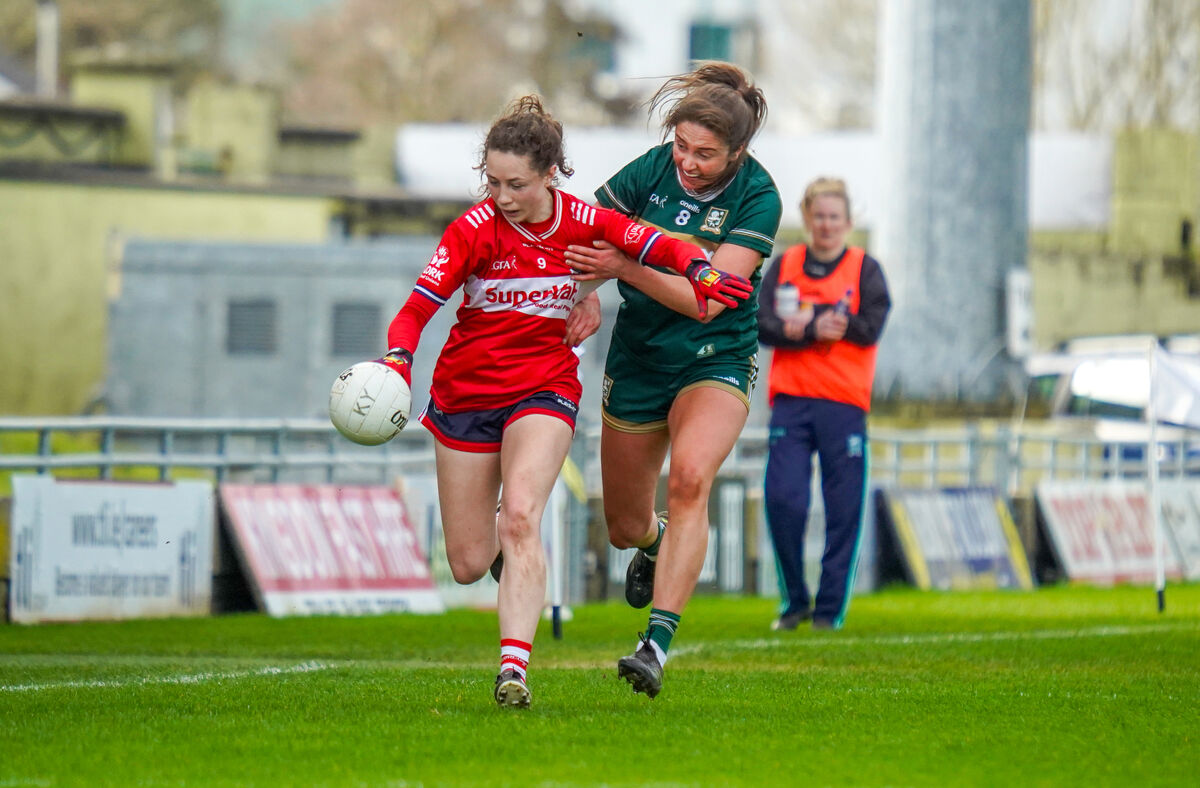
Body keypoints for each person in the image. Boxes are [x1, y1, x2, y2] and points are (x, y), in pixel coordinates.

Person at [378, 95, 753, 709]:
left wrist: (702, 271)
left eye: (516, 184)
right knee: (470, 561)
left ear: (550, 173)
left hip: (544, 388)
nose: (501, 196)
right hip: (465, 396)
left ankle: (513, 671)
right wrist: (396, 362)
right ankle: (508, 560)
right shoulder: (472, 232)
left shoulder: (582, 221)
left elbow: (654, 244)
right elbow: (415, 311)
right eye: (492, 182)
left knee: (522, 514)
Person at [565, 62, 782, 699]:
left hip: (715, 355)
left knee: (690, 479)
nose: (687, 162)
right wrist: (584, 291)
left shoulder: (758, 197)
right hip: (639, 359)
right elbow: (586, 230)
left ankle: (656, 644)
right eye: (682, 146)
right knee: (625, 525)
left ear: (738, 152)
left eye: (705, 154)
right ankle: (655, 544)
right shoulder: (652, 169)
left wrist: (623, 269)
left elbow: (706, 300)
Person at [757, 176, 891, 632]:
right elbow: (761, 321)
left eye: (835, 217)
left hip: (844, 404)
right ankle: (794, 601)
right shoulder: (786, 264)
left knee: (843, 510)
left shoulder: (864, 269)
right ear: (807, 219)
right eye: (819, 216)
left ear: (849, 222)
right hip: (791, 402)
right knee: (784, 500)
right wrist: (807, 327)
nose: (827, 225)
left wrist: (830, 323)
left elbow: (871, 325)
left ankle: (829, 611)